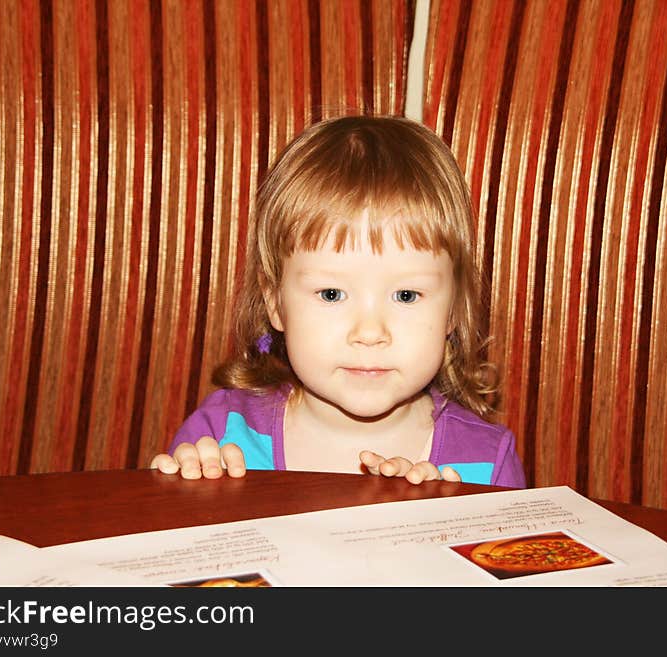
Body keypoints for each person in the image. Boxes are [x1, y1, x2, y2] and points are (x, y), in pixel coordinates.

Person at [150, 115, 526, 488]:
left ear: (453, 312)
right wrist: (191, 500)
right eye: (331, 294)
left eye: (406, 295)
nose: (369, 332)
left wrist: (452, 526)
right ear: (275, 303)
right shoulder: (220, 437)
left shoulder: (486, 464)